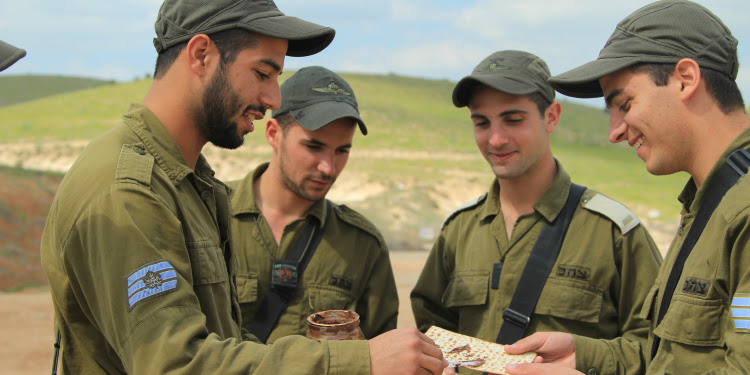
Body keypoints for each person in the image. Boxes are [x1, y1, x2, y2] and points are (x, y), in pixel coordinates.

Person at [40, 0, 447, 374]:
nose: (273, 97)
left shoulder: (189, 184)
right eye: (262, 73)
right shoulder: (128, 190)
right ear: (201, 55)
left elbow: (224, 342)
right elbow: (177, 364)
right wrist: (359, 362)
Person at [505, 1, 750, 375]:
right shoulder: (711, 206)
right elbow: (671, 360)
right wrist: (583, 357)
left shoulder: (742, 211)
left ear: (685, 78)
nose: (614, 131)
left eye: (624, 103)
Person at [410, 50, 663, 373]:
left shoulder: (613, 233)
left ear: (552, 117)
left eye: (513, 120)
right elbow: (432, 333)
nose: (496, 139)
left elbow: (658, 349)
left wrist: (583, 359)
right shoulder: (458, 231)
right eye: (482, 123)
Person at [229, 65, 399, 343]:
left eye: (342, 150)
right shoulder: (209, 214)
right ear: (273, 134)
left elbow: (382, 354)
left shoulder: (363, 244)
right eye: (313, 146)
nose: (328, 168)